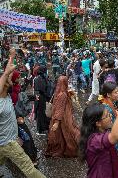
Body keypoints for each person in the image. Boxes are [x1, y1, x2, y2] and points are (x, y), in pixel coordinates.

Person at [0, 48, 45, 178]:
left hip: (6, 142)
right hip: (7, 143)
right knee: (29, 169)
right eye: (8, 80)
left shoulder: (6, 97)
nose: (11, 80)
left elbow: (7, 75)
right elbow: (5, 76)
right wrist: (7, 72)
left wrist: (12, 56)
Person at [79, 88, 118, 178]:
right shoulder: (94, 139)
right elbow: (115, 136)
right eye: (107, 116)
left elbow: (102, 155)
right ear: (98, 123)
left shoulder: (101, 133)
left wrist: (116, 156)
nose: (110, 117)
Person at [46, 76, 80, 157]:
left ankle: (63, 148)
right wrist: (57, 122)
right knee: (69, 133)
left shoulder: (58, 92)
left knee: (61, 134)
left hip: (60, 117)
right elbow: (60, 108)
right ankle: (71, 149)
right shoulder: (63, 94)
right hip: (64, 117)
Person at [34, 66, 50, 135]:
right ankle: (39, 130)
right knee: (40, 113)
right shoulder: (41, 78)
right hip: (41, 98)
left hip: (40, 97)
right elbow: (42, 88)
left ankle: (43, 128)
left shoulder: (39, 78)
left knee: (41, 113)